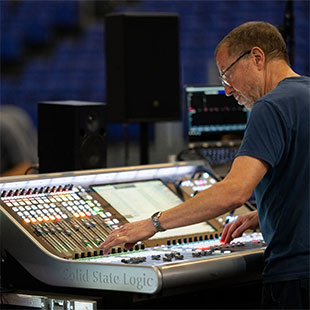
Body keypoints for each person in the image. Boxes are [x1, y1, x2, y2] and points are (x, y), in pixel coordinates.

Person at [101, 21, 309, 309]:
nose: (226, 90)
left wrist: (153, 223)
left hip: (297, 276)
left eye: (227, 74)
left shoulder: (270, 107)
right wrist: (268, 214)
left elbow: (233, 192)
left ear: (257, 58)